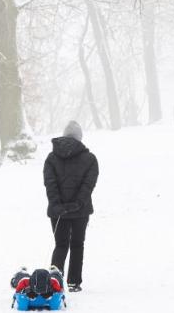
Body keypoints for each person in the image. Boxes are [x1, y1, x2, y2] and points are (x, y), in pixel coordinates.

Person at [43, 120, 99, 293]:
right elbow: (88, 185)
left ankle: (54, 282)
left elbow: (50, 184)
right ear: (79, 137)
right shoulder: (90, 159)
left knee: (60, 244)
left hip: (57, 212)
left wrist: (57, 204)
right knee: (77, 245)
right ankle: (74, 283)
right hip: (80, 211)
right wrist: (78, 204)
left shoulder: (51, 158)